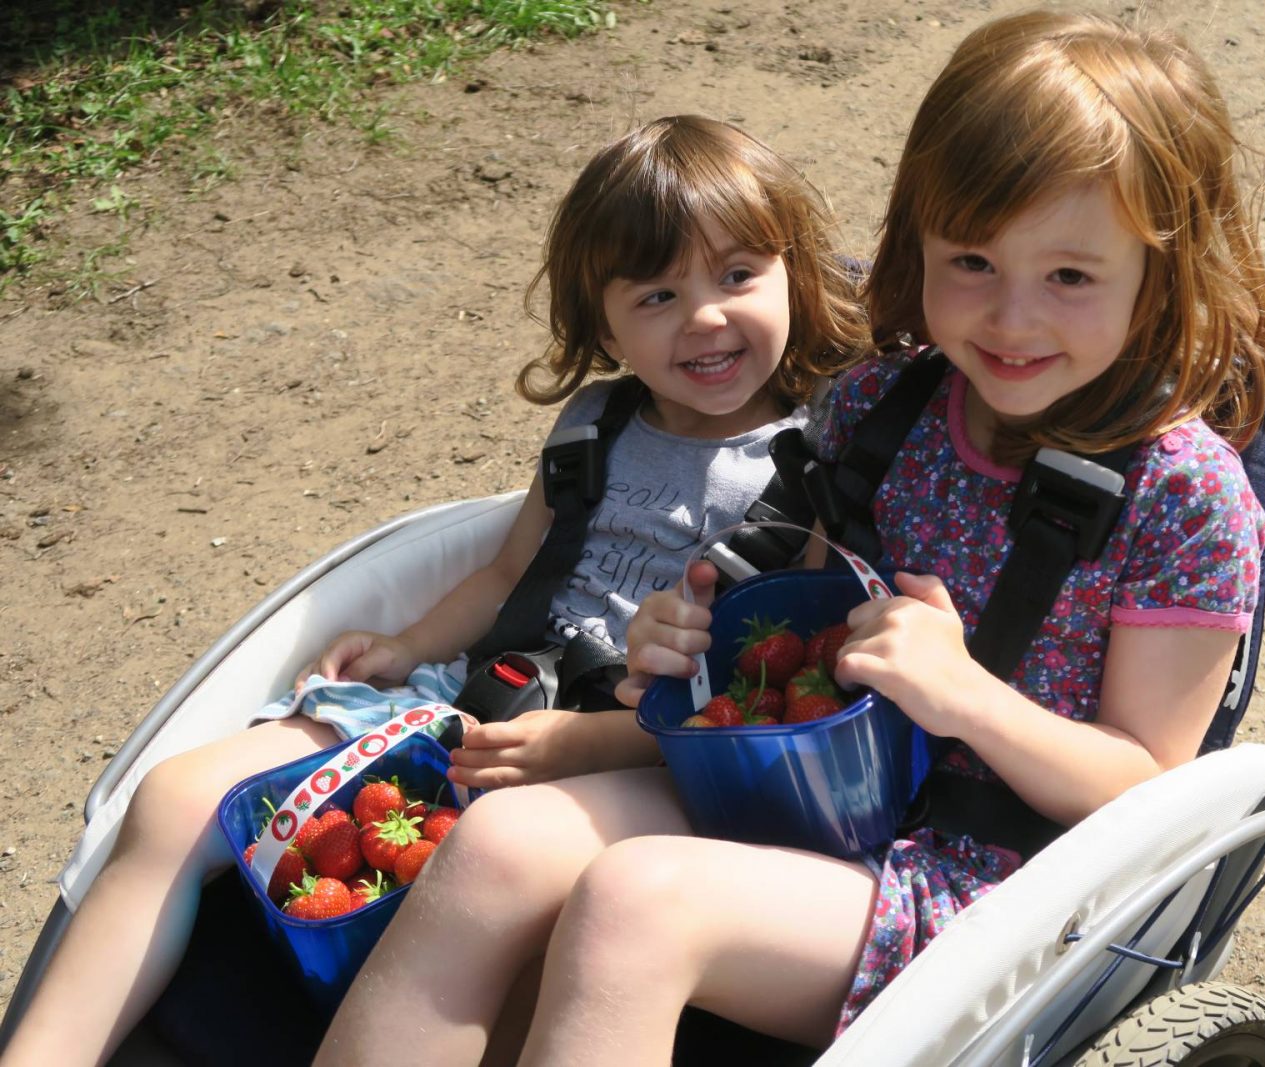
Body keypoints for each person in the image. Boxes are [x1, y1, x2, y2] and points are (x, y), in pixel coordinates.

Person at [314, 10, 1265, 1065]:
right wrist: (695, 649)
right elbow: (816, 627)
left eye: (1069, 276)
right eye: (971, 261)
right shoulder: (884, 407)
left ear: (1159, 272)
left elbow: (1148, 789)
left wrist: (962, 694)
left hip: (997, 884)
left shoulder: (1182, 495)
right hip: (809, 786)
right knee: (499, 840)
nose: (1011, 319)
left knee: (636, 903)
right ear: (916, 241)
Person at [2, 114, 868, 1067]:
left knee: (514, 904)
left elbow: (758, 702)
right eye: (658, 294)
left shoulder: (809, 467)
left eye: (738, 276)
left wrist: (588, 741)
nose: (704, 318)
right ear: (603, 321)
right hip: (475, 705)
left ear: (795, 276)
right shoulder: (596, 425)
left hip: (644, 761)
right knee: (174, 799)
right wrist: (408, 646)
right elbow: (508, 574)